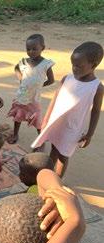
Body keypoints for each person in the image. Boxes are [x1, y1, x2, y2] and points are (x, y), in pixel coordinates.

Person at [32, 42, 104, 177]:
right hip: (56, 123)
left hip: (73, 128)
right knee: (54, 147)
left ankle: (57, 181)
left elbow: (95, 112)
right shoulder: (67, 78)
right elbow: (55, 99)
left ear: (93, 65)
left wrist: (90, 134)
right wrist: (46, 120)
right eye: (73, 65)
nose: (74, 69)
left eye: (79, 66)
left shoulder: (97, 87)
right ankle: (48, 174)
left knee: (63, 155)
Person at [0, 170, 86, 243]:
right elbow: (43, 174)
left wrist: (75, 222)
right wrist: (57, 191)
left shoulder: (66, 237)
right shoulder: (62, 236)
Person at [7, 34, 55, 144]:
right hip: (22, 95)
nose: (31, 51)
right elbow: (16, 68)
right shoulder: (24, 62)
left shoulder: (46, 64)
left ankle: (40, 139)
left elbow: (51, 80)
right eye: (28, 49)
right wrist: (21, 81)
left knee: (37, 118)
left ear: (42, 48)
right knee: (18, 115)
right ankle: (15, 134)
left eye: (34, 49)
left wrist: (39, 86)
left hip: (34, 98)